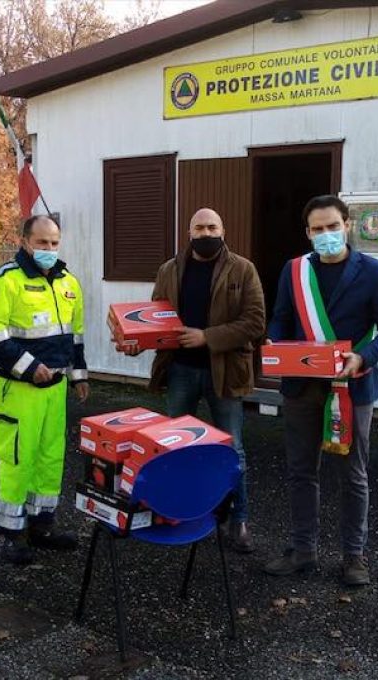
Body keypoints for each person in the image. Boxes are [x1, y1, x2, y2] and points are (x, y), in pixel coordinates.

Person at [264, 194, 378, 584]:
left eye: (332, 226)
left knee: (353, 474)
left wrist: (364, 357)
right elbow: (280, 320)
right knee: (300, 471)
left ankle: (353, 556)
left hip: (352, 387)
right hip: (301, 387)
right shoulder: (294, 272)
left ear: (347, 225)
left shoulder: (375, 273)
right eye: (317, 229)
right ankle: (303, 549)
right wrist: (275, 345)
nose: (326, 234)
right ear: (307, 233)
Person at [120, 207, 265, 552]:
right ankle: (181, 513)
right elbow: (155, 321)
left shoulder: (243, 269)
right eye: (199, 228)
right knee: (174, 448)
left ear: (223, 229)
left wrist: (207, 337)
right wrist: (135, 342)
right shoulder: (169, 270)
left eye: (212, 226)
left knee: (233, 449)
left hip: (225, 373)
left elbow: (255, 322)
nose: (205, 233)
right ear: (189, 233)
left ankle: (238, 519)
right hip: (180, 369)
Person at [0, 214, 89, 565]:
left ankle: (43, 524)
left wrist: (79, 376)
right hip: (20, 389)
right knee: (16, 459)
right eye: (42, 243)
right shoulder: (5, 281)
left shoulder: (68, 282)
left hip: (55, 389)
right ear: (25, 241)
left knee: (50, 458)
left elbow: (75, 335)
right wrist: (28, 367)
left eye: (54, 243)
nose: (49, 249)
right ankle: (11, 533)